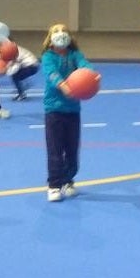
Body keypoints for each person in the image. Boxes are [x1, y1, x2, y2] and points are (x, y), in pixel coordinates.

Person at [40, 24, 94, 202]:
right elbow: (51, 73)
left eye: (64, 30)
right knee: (55, 149)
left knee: (72, 150)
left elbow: (84, 66)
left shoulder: (75, 55)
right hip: (54, 110)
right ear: (50, 38)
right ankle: (54, 185)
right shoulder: (48, 56)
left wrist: (92, 75)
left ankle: (68, 180)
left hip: (73, 110)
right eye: (55, 31)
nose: (60, 33)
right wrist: (63, 86)